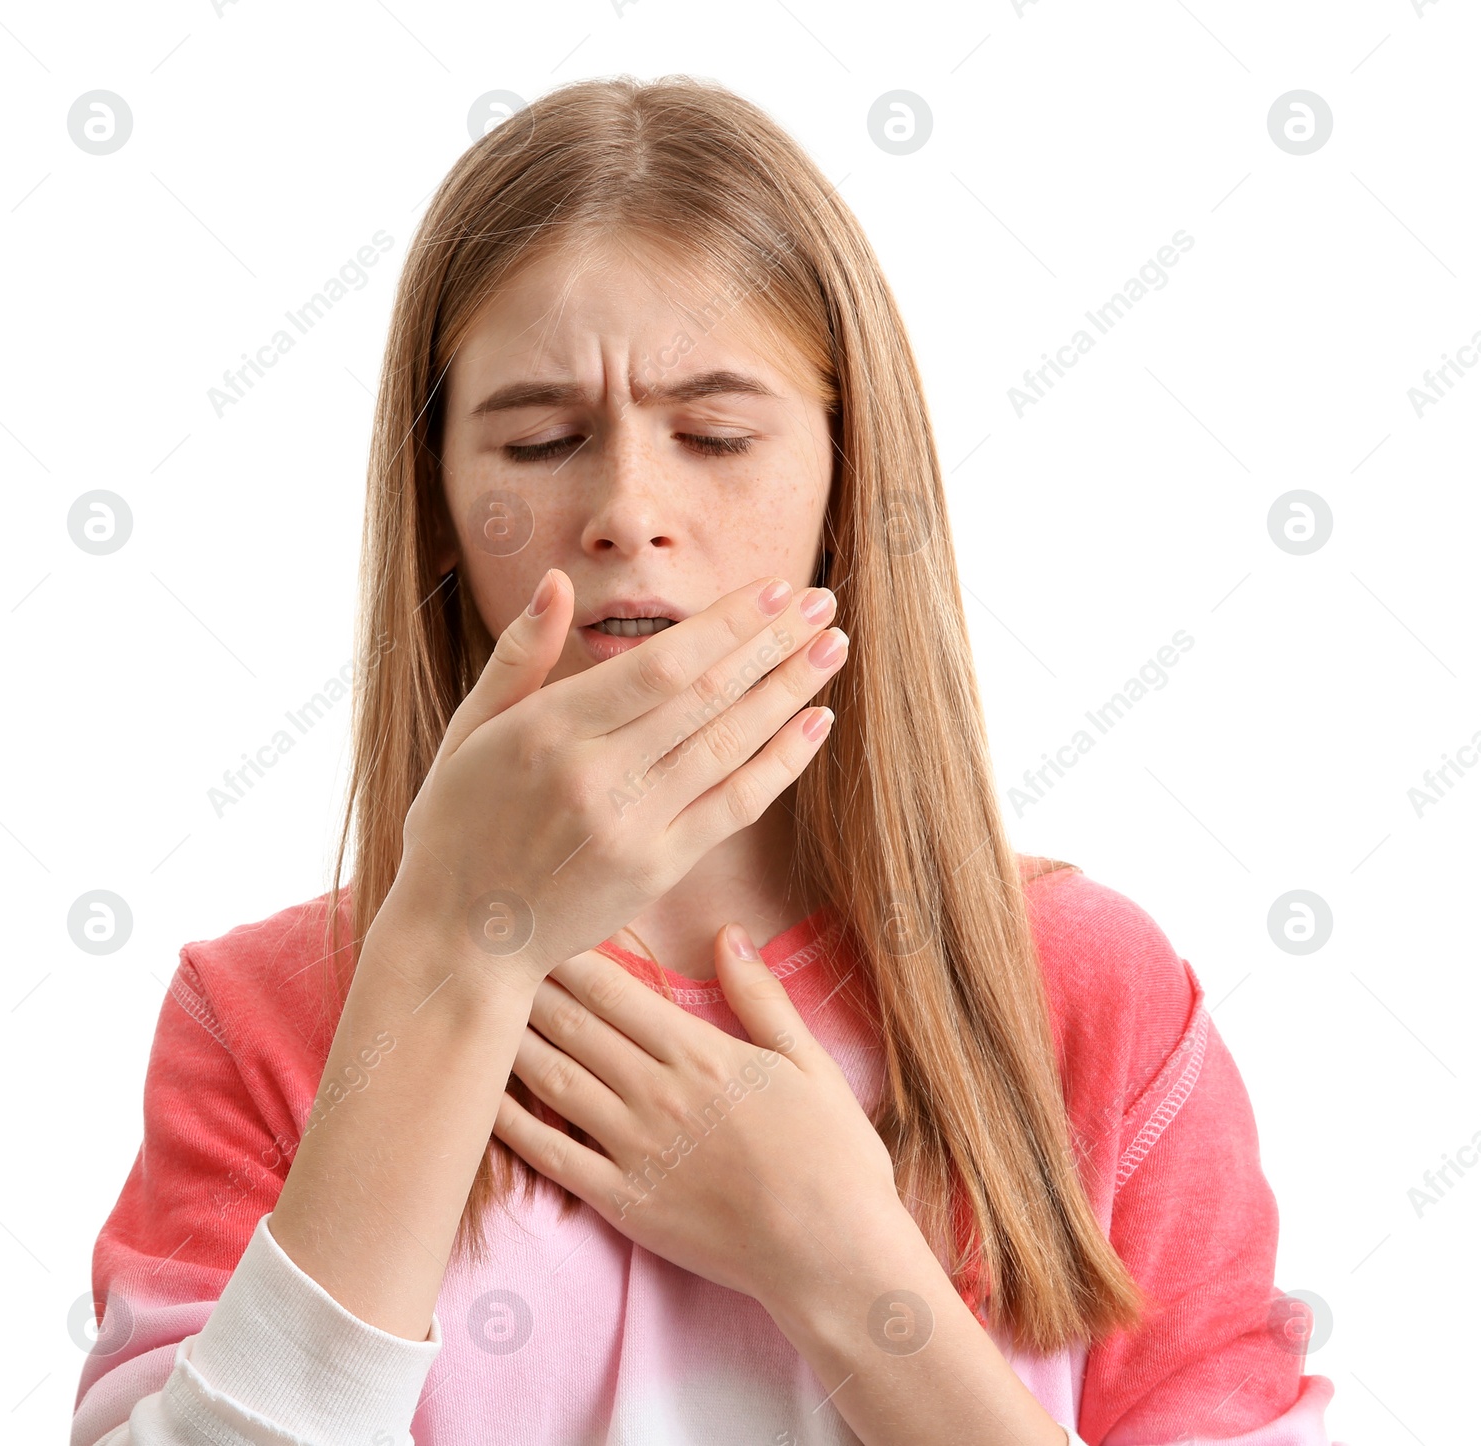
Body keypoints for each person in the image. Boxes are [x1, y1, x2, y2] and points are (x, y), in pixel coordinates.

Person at [71, 74, 1340, 1446]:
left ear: (846, 481)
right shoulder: (260, 1018)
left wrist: (844, 1268)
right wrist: (447, 948)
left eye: (716, 434)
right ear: (437, 501)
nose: (627, 510)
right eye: (540, 439)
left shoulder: (1095, 998)